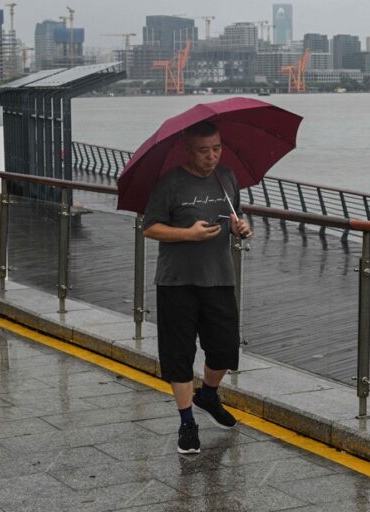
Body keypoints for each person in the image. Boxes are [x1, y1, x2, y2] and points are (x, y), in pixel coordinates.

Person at [142, 120, 252, 454]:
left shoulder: (227, 178)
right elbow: (150, 228)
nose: (212, 156)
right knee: (179, 354)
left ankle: (208, 394)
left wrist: (240, 228)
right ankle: (187, 421)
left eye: (217, 148)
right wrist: (187, 234)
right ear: (188, 150)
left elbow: (236, 218)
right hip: (177, 280)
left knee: (224, 348)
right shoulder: (170, 183)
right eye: (204, 150)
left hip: (219, 276)